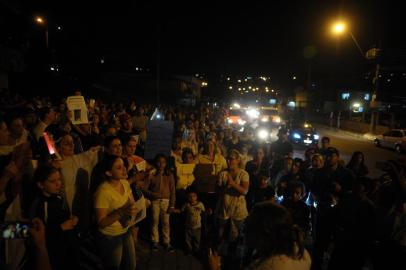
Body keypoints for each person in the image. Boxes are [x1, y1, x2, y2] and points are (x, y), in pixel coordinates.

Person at [209, 202, 311, 270]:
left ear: (265, 232)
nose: (244, 231)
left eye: (249, 226)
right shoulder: (299, 251)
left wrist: (214, 268)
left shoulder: (269, 267)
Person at [94, 155, 140, 270]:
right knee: (113, 266)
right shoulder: (103, 192)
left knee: (131, 265)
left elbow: (131, 202)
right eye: (119, 168)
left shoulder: (124, 183)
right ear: (109, 173)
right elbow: (101, 222)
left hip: (126, 229)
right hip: (111, 236)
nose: (124, 169)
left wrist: (138, 207)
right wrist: (121, 212)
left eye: (124, 166)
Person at [30, 165, 79, 270]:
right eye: (53, 181)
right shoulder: (39, 205)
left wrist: (71, 218)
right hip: (54, 251)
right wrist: (61, 227)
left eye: (59, 179)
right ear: (40, 184)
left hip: (67, 246)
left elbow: (63, 215)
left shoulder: (57, 196)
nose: (58, 184)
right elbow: (37, 235)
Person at [143, 154, 176, 251]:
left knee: (165, 222)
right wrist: (153, 194)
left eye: (163, 162)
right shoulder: (152, 174)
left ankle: (166, 242)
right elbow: (144, 189)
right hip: (155, 201)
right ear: (155, 163)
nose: (161, 164)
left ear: (166, 163)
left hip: (166, 202)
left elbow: (173, 191)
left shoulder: (169, 174)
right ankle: (155, 241)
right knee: (154, 220)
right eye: (159, 162)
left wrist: (172, 205)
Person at [216, 150, 249, 244]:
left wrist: (233, 184)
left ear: (238, 160)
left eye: (231, 159)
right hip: (224, 209)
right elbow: (217, 191)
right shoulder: (222, 174)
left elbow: (245, 191)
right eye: (227, 159)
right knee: (221, 236)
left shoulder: (244, 174)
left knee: (236, 238)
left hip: (238, 211)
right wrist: (224, 187)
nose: (228, 161)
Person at [175, 188, 206, 255]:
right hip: (188, 226)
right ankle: (189, 249)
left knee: (197, 240)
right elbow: (181, 210)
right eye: (190, 196)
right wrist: (175, 210)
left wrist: (209, 212)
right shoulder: (187, 205)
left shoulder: (200, 204)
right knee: (187, 240)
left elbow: (204, 212)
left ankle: (197, 250)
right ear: (187, 198)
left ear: (196, 196)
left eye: (194, 196)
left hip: (197, 227)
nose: (192, 198)